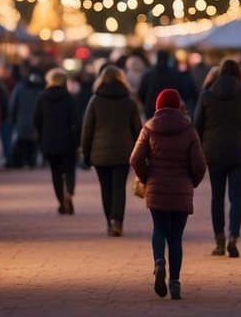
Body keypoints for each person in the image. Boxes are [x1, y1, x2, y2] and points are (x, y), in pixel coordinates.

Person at [131, 88, 206, 301]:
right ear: (178, 106)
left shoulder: (149, 128)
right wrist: (193, 181)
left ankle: (158, 261)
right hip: (182, 188)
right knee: (176, 236)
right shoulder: (189, 129)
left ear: (158, 106)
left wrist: (147, 178)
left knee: (159, 228)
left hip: (156, 187)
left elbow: (135, 159)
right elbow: (200, 164)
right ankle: (174, 283)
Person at [192, 58, 241, 258]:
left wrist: (199, 149)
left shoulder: (207, 95)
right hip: (240, 152)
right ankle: (233, 237)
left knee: (217, 197)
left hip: (214, 152)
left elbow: (197, 126)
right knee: (236, 198)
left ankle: (219, 240)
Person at [81, 64, 143, 236]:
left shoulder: (95, 100)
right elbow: (137, 129)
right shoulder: (129, 101)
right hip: (124, 152)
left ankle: (109, 219)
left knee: (105, 188)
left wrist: (85, 153)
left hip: (99, 152)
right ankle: (118, 221)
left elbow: (87, 129)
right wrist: (142, 153)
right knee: (119, 188)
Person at [34, 69, 80, 214]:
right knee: (70, 170)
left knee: (56, 173)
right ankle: (69, 193)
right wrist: (77, 140)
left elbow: (36, 120)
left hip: (49, 141)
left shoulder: (41, 98)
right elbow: (76, 121)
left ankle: (61, 201)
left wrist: (41, 136)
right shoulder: (69, 98)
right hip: (68, 141)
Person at [7, 67, 45, 168]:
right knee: (33, 145)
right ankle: (31, 163)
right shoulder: (42, 90)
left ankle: (21, 163)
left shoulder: (19, 87)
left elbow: (13, 105)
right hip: (36, 124)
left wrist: (13, 119)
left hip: (21, 122)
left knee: (22, 144)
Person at [139, 50, 196, 117]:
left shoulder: (148, 74)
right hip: (172, 110)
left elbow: (141, 93)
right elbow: (183, 92)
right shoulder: (175, 74)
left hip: (151, 110)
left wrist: (146, 103)